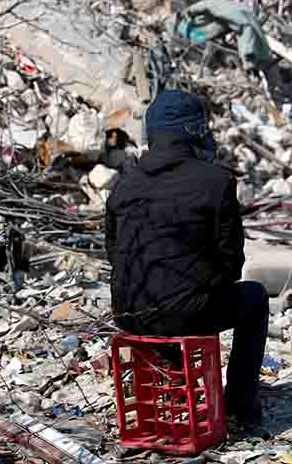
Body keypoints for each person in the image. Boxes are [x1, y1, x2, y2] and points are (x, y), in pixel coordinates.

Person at [105, 89, 269, 434]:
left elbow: (113, 254)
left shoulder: (123, 185)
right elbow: (231, 263)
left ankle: (173, 378)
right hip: (183, 315)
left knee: (172, 298)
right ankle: (241, 405)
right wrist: (198, 285)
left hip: (128, 315)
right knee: (253, 297)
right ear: (194, 130)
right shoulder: (215, 182)